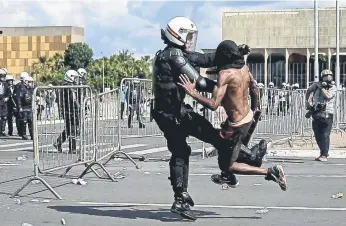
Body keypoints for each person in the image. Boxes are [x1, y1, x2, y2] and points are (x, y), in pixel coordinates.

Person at [152, 17, 268, 221]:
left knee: (201, 143)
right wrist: (228, 89)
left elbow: (204, 59)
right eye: (187, 36)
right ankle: (180, 199)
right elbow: (200, 82)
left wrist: (233, 53)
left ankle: (246, 158)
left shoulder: (176, 53)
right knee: (183, 150)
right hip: (171, 115)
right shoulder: (173, 56)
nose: (190, 40)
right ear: (177, 35)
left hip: (175, 112)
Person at [178, 40, 287, 192]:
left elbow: (214, 104)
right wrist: (255, 110)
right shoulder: (244, 68)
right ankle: (229, 174)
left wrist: (193, 93)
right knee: (225, 149)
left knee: (229, 164)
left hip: (237, 125)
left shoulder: (225, 74)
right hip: (247, 117)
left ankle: (269, 171)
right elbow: (255, 89)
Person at [305, 69, 337, 162]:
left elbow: (327, 96)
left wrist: (322, 88)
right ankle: (321, 152)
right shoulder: (316, 84)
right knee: (317, 135)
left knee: (325, 134)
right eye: (326, 76)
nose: (328, 78)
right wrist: (307, 102)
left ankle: (324, 154)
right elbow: (308, 90)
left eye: (330, 76)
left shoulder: (333, 87)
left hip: (327, 113)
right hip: (316, 112)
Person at [53, 70, 82, 153]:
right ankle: (72, 149)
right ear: (70, 77)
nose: (76, 79)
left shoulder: (65, 85)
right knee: (73, 129)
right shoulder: (69, 86)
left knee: (69, 129)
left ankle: (58, 142)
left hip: (68, 110)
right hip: (70, 111)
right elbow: (74, 99)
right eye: (75, 77)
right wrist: (79, 108)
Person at [15, 76, 35, 140]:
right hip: (24, 108)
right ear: (26, 82)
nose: (31, 84)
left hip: (30, 107)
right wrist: (19, 107)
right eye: (30, 82)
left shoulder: (31, 89)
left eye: (32, 82)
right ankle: (23, 134)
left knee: (31, 121)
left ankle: (32, 135)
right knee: (24, 121)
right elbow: (18, 99)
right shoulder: (22, 89)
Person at [13, 72, 29, 136]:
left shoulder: (28, 85)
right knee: (20, 119)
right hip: (19, 104)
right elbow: (16, 96)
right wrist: (17, 106)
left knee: (26, 119)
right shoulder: (18, 86)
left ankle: (22, 132)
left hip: (25, 105)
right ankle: (21, 132)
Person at [0, 69, 10, 136]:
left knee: (4, 117)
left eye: (4, 76)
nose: (3, 78)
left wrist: (7, 97)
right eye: (1, 76)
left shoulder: (6, 84)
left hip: (4, 103)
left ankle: (2, 131)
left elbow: (8, 93)